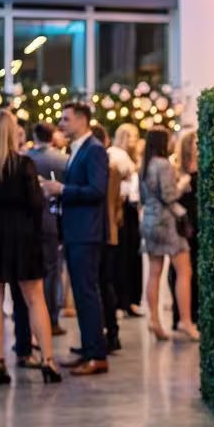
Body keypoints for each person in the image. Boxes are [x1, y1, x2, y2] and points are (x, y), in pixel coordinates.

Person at [0, 109, 60, 385]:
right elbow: (35, 204)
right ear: (10, 133)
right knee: (34, 298)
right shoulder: (24, 165)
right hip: (22, 236)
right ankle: (48, 362)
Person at [43, 102, 109, 376]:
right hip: (75, 230)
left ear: (82, 120)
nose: (61, 124)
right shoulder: (78, 149)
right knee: (81, 294)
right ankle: (87, 348)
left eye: (66, 119)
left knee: (87, 292)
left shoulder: (94, 150)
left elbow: (97, 189)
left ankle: (97, 355)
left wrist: (63, 189)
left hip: (87, 232)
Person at [140, 126, 199, 342]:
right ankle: (185, 320)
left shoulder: (145, 165)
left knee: (154, 272)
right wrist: (182, 185)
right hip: (167, 223)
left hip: (149, 221)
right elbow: (169, 195)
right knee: (184, 271)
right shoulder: (163, 164)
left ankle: (154, 319)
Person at [26, 122, 68, 335]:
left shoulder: (25, 158)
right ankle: (50, 318)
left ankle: (30, 323)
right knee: (52, 270)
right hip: (53, 218)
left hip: (27, 222)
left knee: (29, 274)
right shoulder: (62, 160)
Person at [91, 123, 126, 354]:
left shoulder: (105, 168)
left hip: (102, 231)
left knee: (102, 285)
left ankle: (109, 333)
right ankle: (111, 333)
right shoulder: (112, 168)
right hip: (111, 230)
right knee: (106, 284)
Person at [112, 123, 143, 317]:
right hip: (121, 208)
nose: (132, 140)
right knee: (121, 255)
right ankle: (120, 301)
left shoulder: (135, 158)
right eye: (129, 136)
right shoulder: (116, 155)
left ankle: (132, 300)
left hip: (132, 209)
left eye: (135, 136)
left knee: (134, 255)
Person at [169, 130, 198, 330]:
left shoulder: (205, 164)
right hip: (181, 221)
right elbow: (171, 196)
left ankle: (194, 313)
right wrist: (182, 185)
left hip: (197, 220)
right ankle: (179, 315)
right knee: (180, 269)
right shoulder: (176, 167)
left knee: (195, 267)